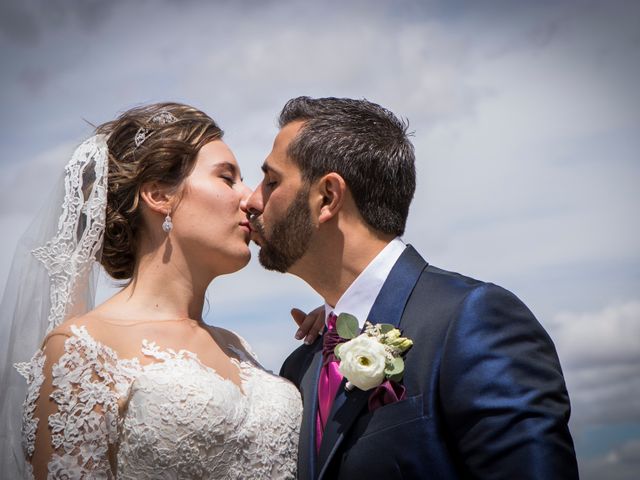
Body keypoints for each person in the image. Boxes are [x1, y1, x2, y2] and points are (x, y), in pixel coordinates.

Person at [245, 96, 580, 479]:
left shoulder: (472, 321)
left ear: (328, 197)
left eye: (272, 181)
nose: (252, 200)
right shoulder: (301, 366)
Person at [0, 102, 322, 479]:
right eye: (226, 177)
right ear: (159, 195)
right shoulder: (81, 350)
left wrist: (334, 331)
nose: (249, 198)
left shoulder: (240, 348)